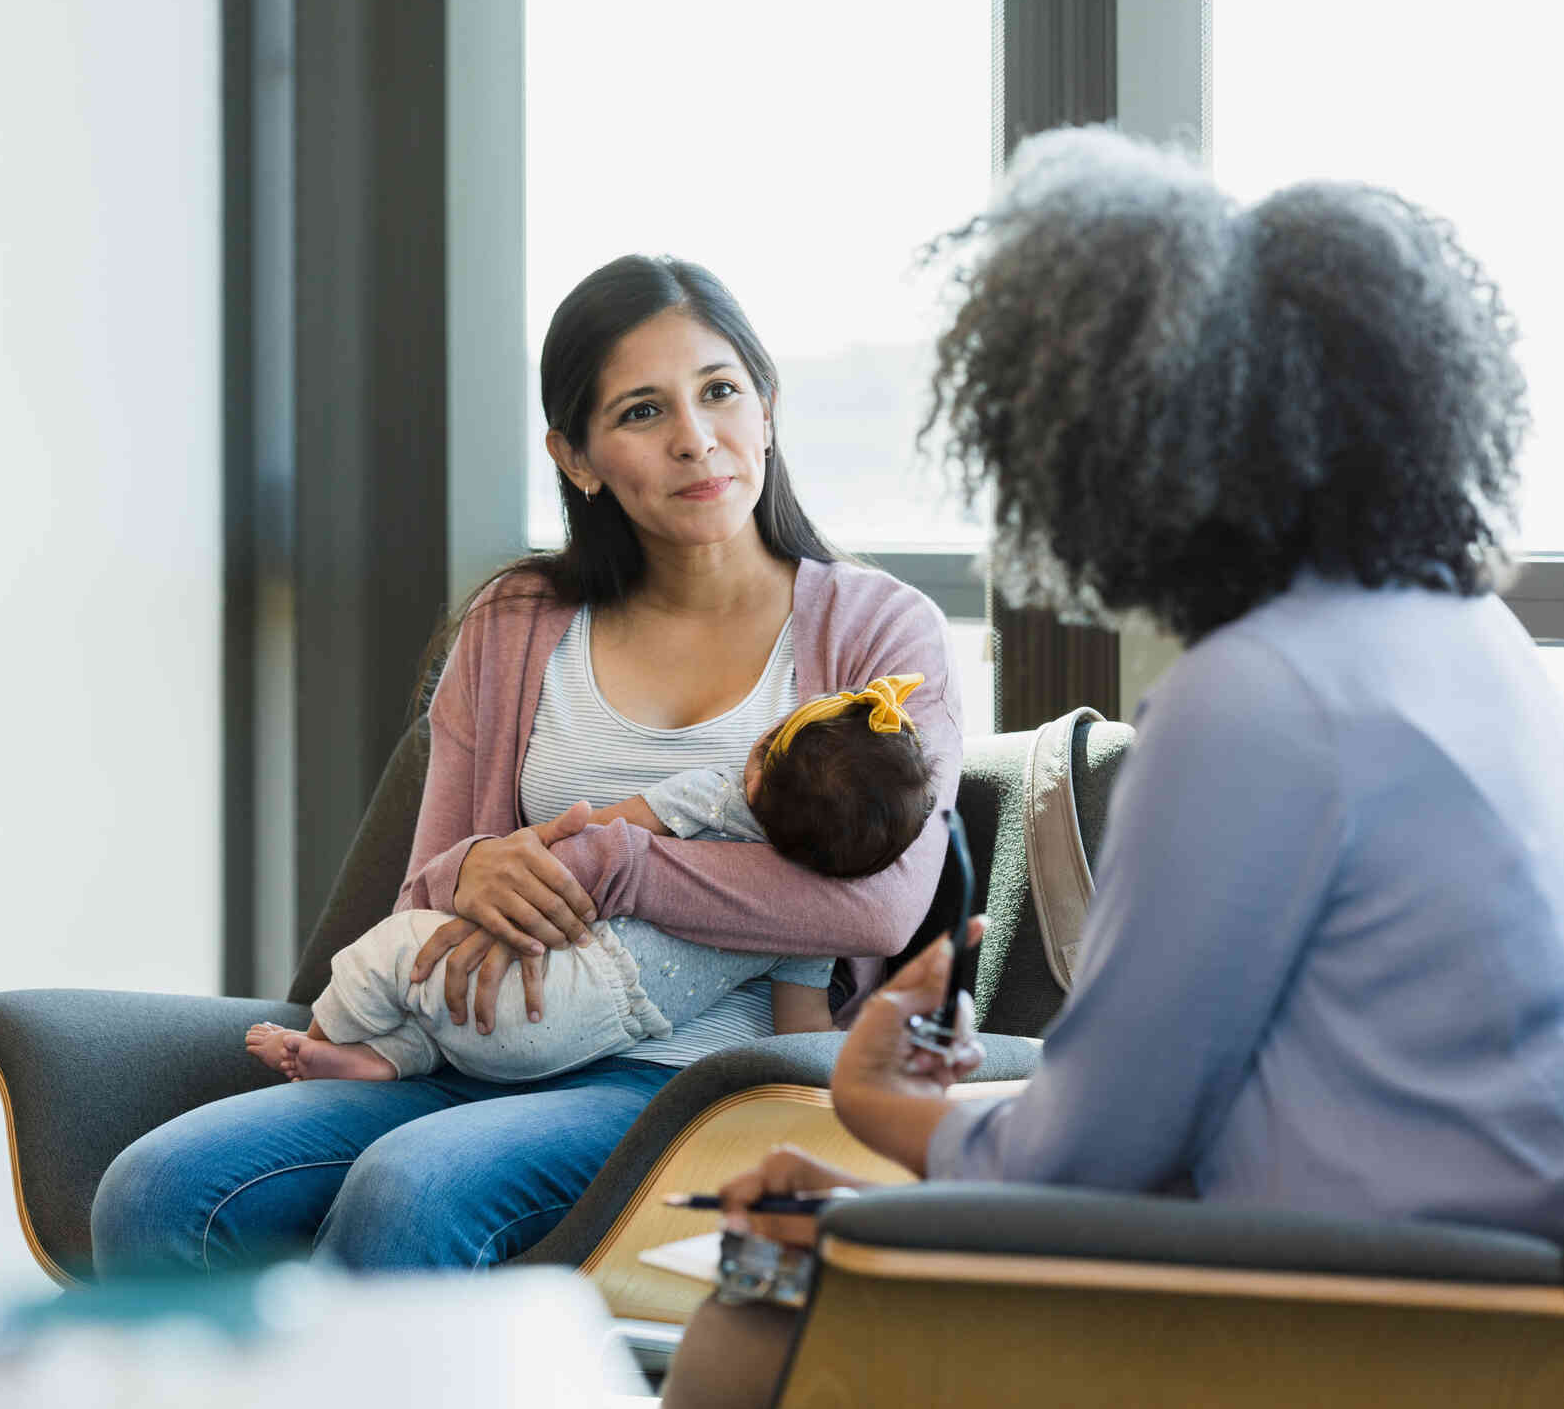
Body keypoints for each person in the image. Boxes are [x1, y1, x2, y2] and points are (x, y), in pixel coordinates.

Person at [665, 126, 1564, 1407]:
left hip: (1352, 1308)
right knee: (827, 1221)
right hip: (1476, 1285)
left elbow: (1100, 1149)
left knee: (766, 1265)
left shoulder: (1254, 697)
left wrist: (871, 1103)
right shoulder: (1471, 638)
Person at [89, 254, 963, 1274]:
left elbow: (876, 908)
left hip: (697, 1081)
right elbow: (428, 878)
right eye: (642, 411)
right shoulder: (516, 621)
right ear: (577, 456)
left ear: (766, 408)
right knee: (154, 1192)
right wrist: (474, 869)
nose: (696, 438)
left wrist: (617, 864)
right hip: (472, 1046)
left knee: (410, 1194)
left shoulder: (878, 631)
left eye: (720, 391)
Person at [243, 675, 936, 1083]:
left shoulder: (713, 795)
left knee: (396, 951)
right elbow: (797, 1033)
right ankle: (384, 1063)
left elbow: (592, 841)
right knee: (442, 1018)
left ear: (757, 759)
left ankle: (330, 1041)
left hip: (564, 976)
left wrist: (495, 889)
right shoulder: (811, 928)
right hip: (598, 1037)